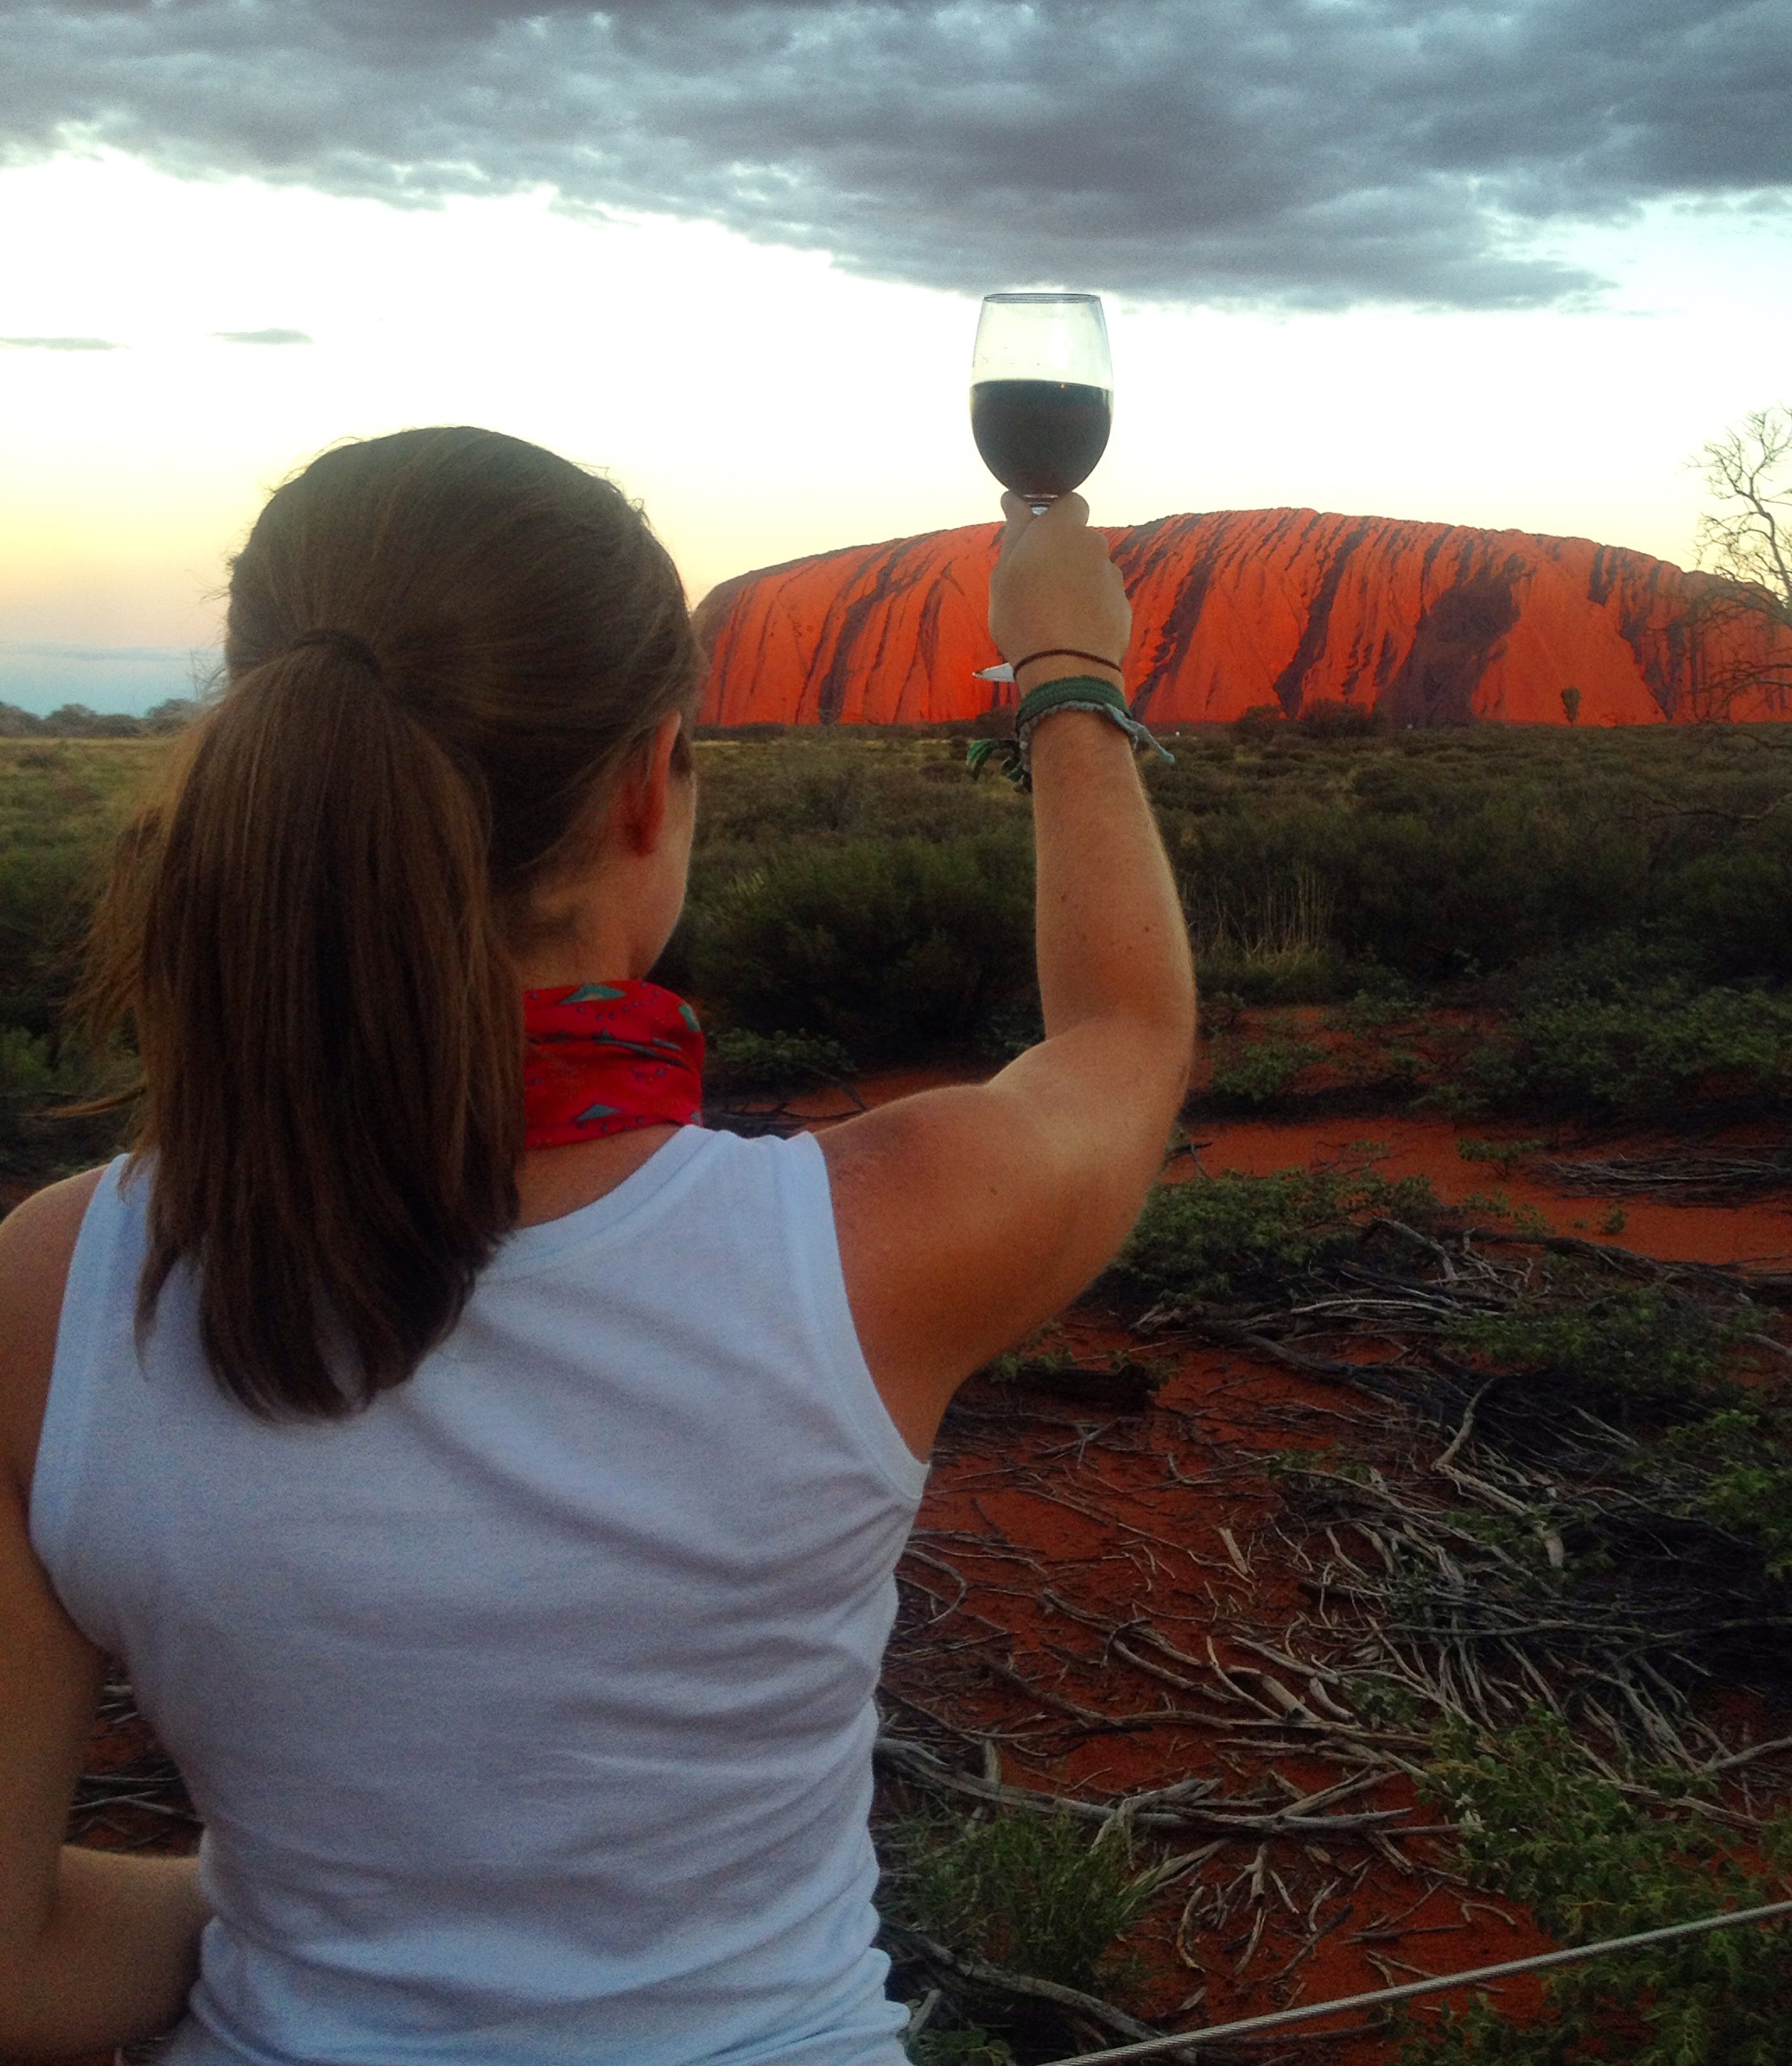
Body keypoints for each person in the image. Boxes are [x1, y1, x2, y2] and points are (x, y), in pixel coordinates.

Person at [0, 427, 1194, 2063]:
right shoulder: (873, 1242)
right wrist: (1067, 668)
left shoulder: (57, 1290)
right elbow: (1126, 1037)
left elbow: (15, 1971)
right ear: (649, 784)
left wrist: (315, 1924)